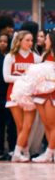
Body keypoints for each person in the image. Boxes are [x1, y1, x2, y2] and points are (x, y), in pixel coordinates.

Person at [3, 31, 41, 162]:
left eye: (31, 40)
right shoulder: (10, 57)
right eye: (27, 40)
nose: (30, 43)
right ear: (19, 41)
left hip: (30, 94)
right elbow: (6, 77)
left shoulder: (36, 58)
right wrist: (25, 77)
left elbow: (39, 77)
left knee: (28, 126)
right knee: (19, 125)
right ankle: (24, 152)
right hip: (14, 94)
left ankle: (18, 152)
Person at [32, 31, 55, 162]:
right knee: (46, 124)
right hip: (41, 92)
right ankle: (51, 152)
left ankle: (49, 153)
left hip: (52, 93)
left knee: (52, 125)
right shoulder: (45, 54)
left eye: (46, 38)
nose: (44, 41)